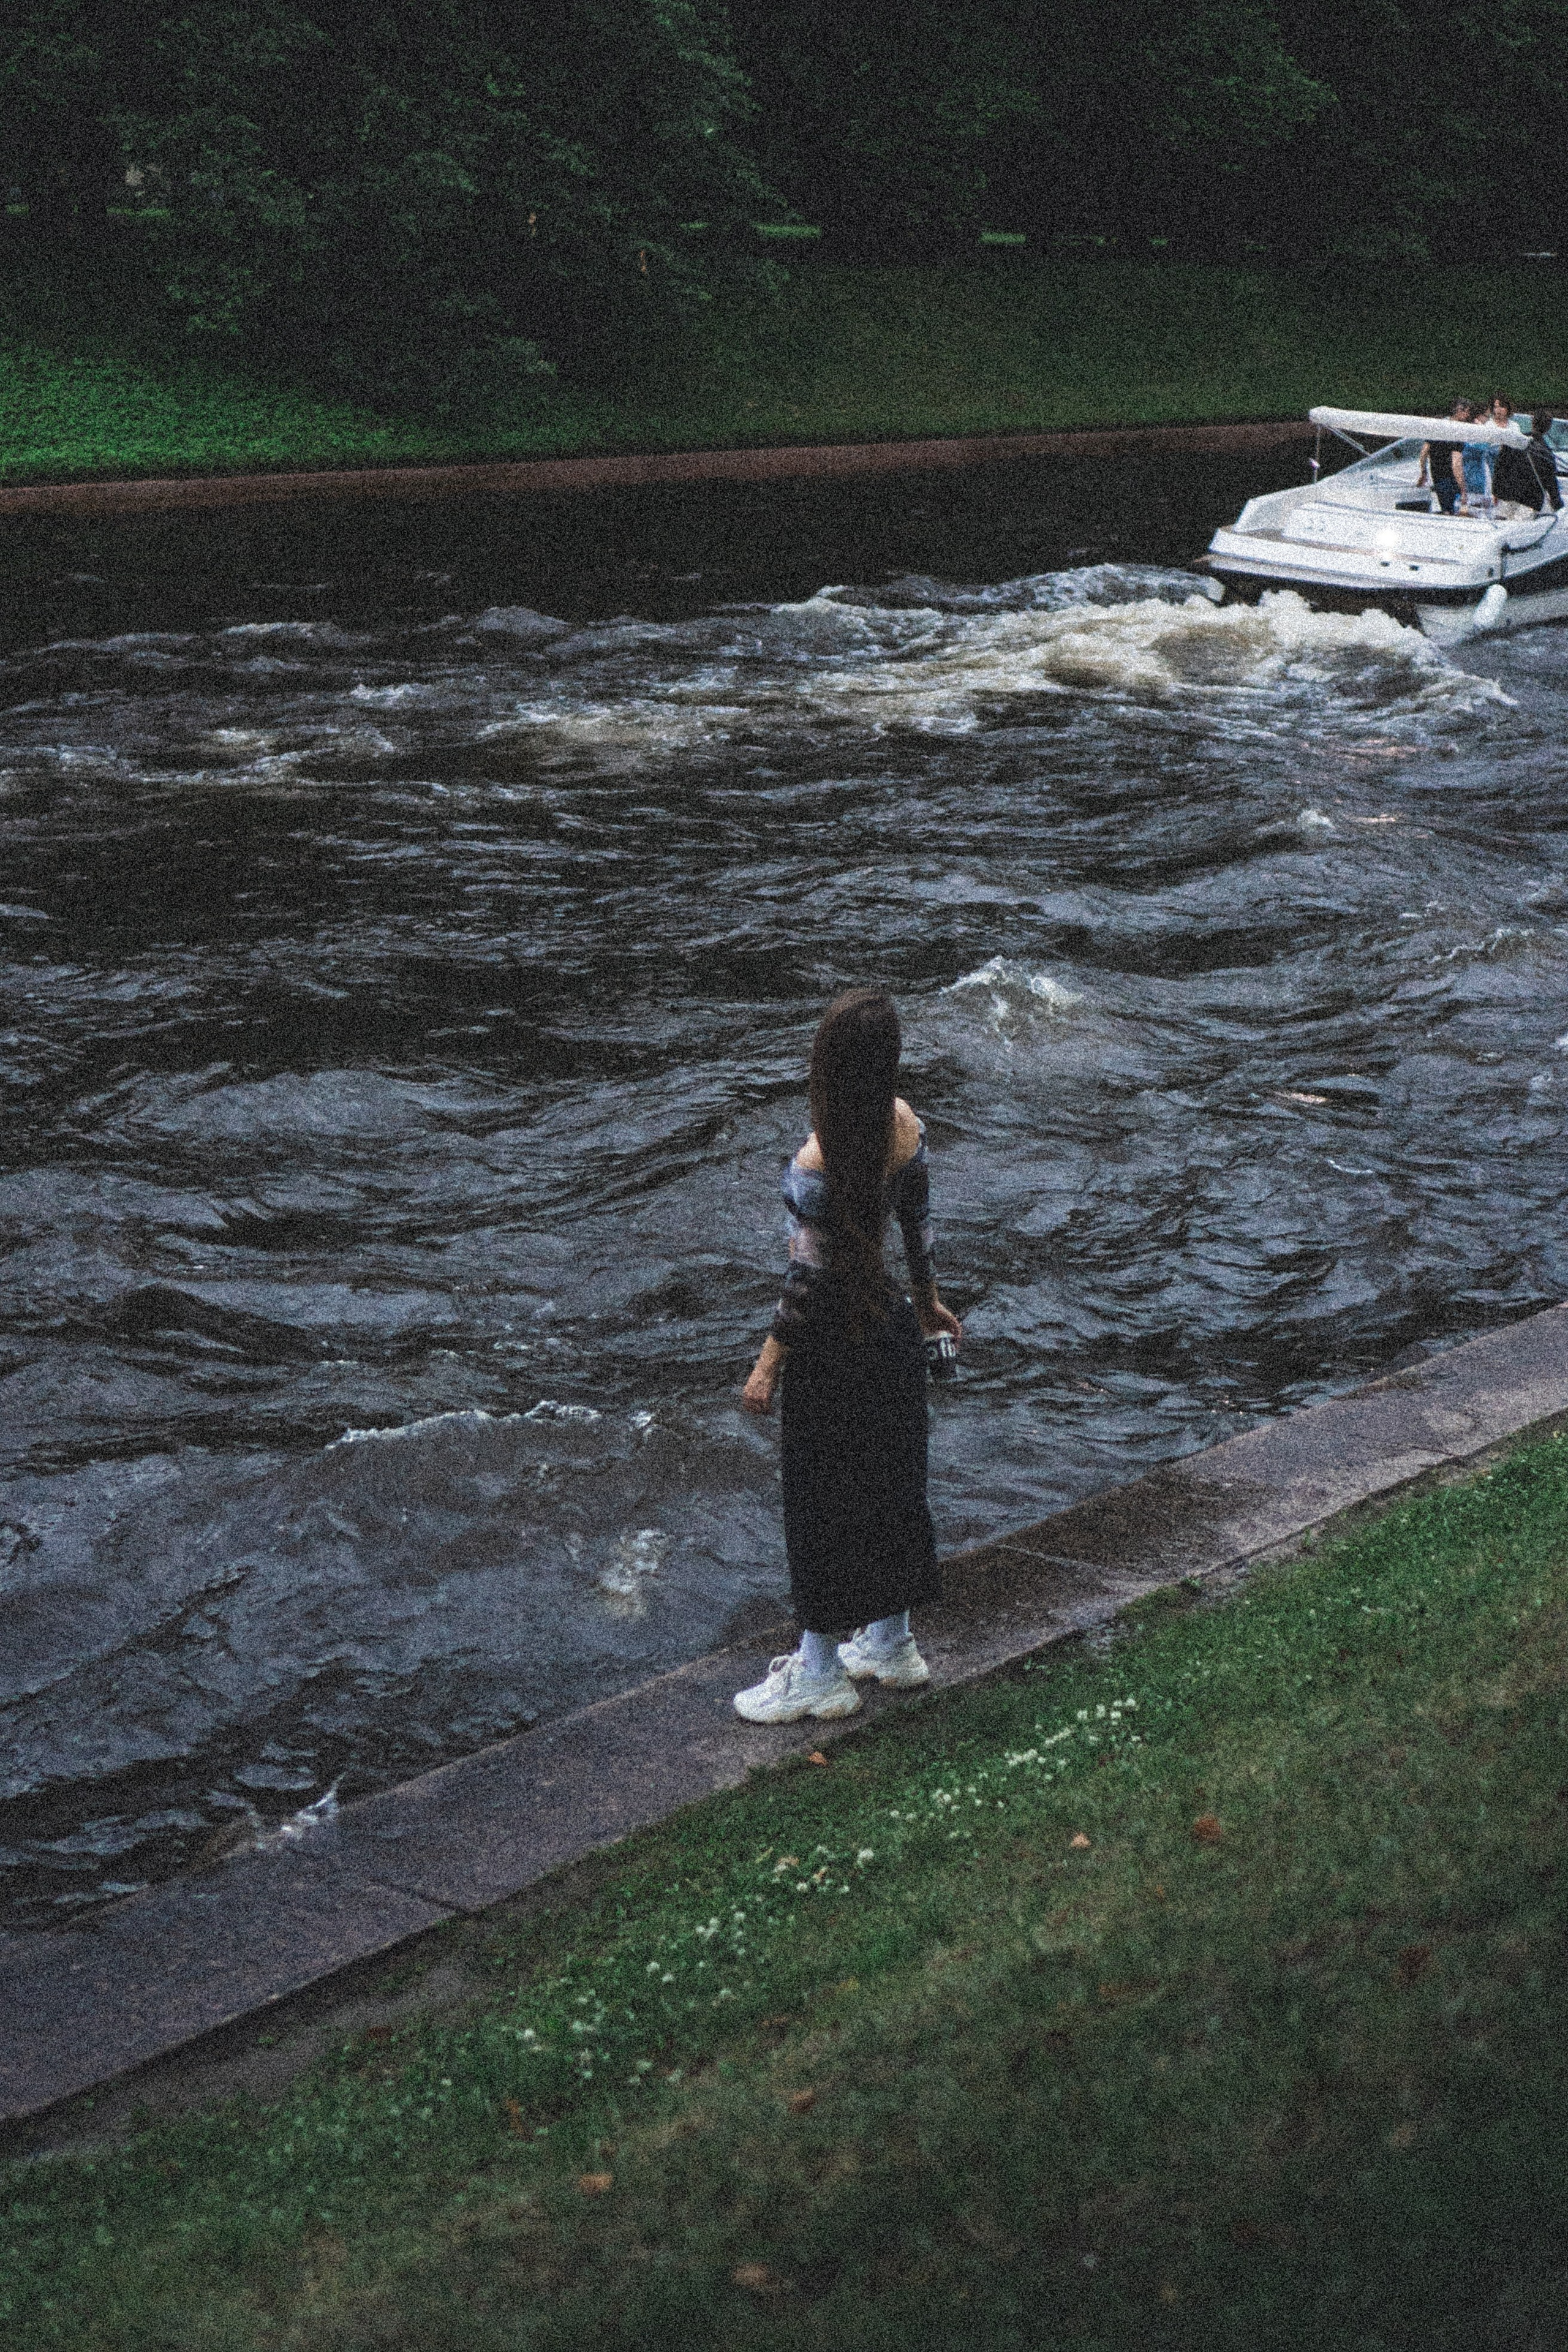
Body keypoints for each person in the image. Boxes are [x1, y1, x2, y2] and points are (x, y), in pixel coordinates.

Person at [734, 987, 961, 1724]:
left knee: (820, 1506)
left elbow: (805, 1280)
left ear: (827, 1067)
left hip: (829, 1351)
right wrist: (927, 1306)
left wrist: (768, 1365)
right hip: (890, 1333)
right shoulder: (905, 1127)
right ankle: (892, 1645)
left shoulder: (816, 1161)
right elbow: (918, 1228)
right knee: (893, 1489)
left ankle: (820, 1671)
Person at [1419, 398, 1472, 513]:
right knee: (1454, 512)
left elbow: (1424, 451)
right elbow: (1456, 464)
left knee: (1445, 510)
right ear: (1459, 411)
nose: (1468, 415)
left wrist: (1424, 473)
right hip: (1450, 478)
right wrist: (1463, 490)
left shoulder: (1438, 425)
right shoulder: (1458, 432)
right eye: (1467, 412)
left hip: (1437, 475)